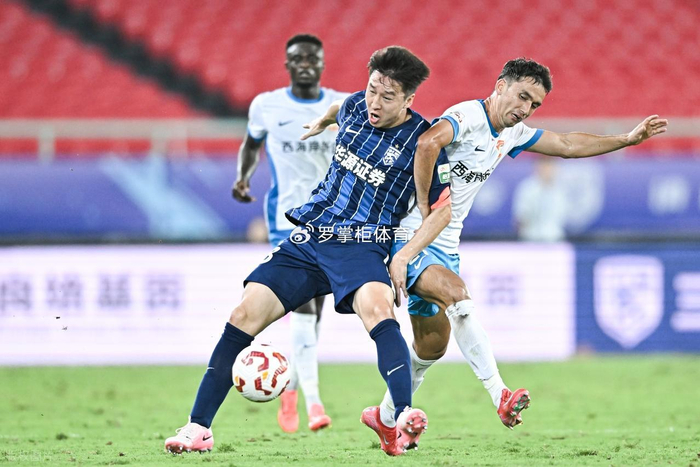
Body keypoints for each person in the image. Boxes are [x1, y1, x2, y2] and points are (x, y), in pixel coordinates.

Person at [165, 45, 451, 457]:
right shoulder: (355, 107)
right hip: (312, 237)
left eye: (387, 97)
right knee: (243, 314)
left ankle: (401, 415)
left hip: (362, 245)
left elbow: (442, 211)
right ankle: (198, 428)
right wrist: (323, 120)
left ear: (409, 99)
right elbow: (340, 107)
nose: (374, 102)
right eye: (371, 89)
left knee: (379, 311)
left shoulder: (423, 142)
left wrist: (404, 256)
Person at [371, 57, 668, 450]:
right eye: (522, 96)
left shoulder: (511, 133)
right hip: (410, 237)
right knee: (458, 296)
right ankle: (501, 396)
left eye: (534, 104)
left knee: (431, 347)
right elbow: (427, 142)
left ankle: (384, 418)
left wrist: (626, 140)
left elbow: (566, 145)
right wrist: (426, 207)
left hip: (446, 245)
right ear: (500, 86)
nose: (526, 109)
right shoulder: (468, 116)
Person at [232, 34, 349, 433]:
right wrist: (243, 177)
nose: (305, 64)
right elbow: (251, 144)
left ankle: (290, 390)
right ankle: (314, 403)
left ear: (322, 63)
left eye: (312, 58)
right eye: (297, 58)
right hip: (286, 218)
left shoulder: (343, 104)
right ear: (287, 64)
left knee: (314, 314)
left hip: (331, 218)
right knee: (304, 308)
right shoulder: (266, 105)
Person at [512, 156, 568, 241]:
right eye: (545, 165)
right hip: (531, 240)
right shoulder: (527, 188)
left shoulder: (560, 189)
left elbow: (562, 218)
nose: (548, 169)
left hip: (555, 240)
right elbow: (520, 218)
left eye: (551, 165)